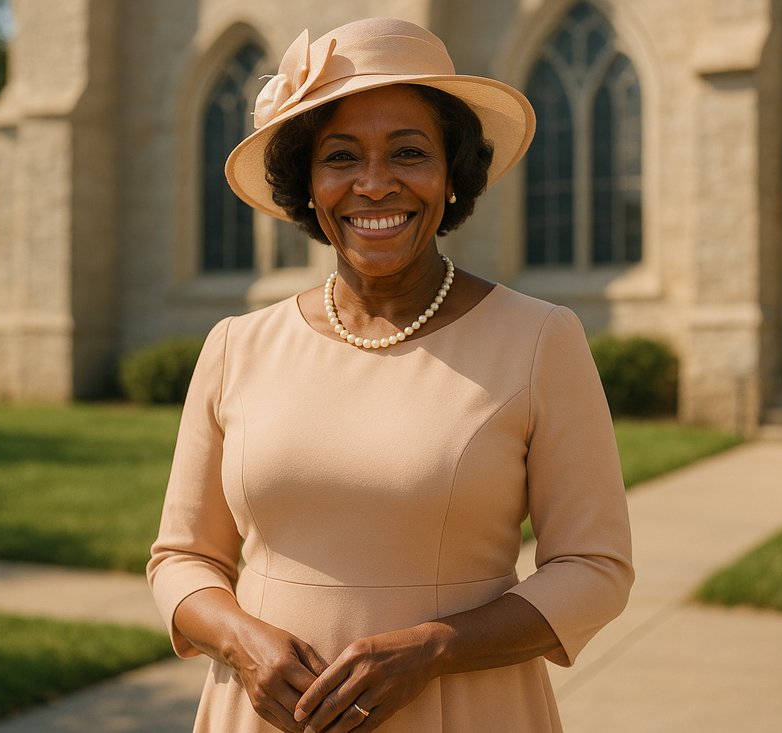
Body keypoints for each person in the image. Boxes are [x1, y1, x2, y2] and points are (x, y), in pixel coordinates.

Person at [147, 17, 633, 733]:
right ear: (308, 183)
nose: (375, 184)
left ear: (451, 174)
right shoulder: (235, 345)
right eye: (341, 156)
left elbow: (596, 569)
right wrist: (241, 639)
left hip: (466, 710)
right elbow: (181, 558)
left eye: (408, 152)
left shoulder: (540, 339)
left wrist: (435, 648)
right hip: (263, 716)